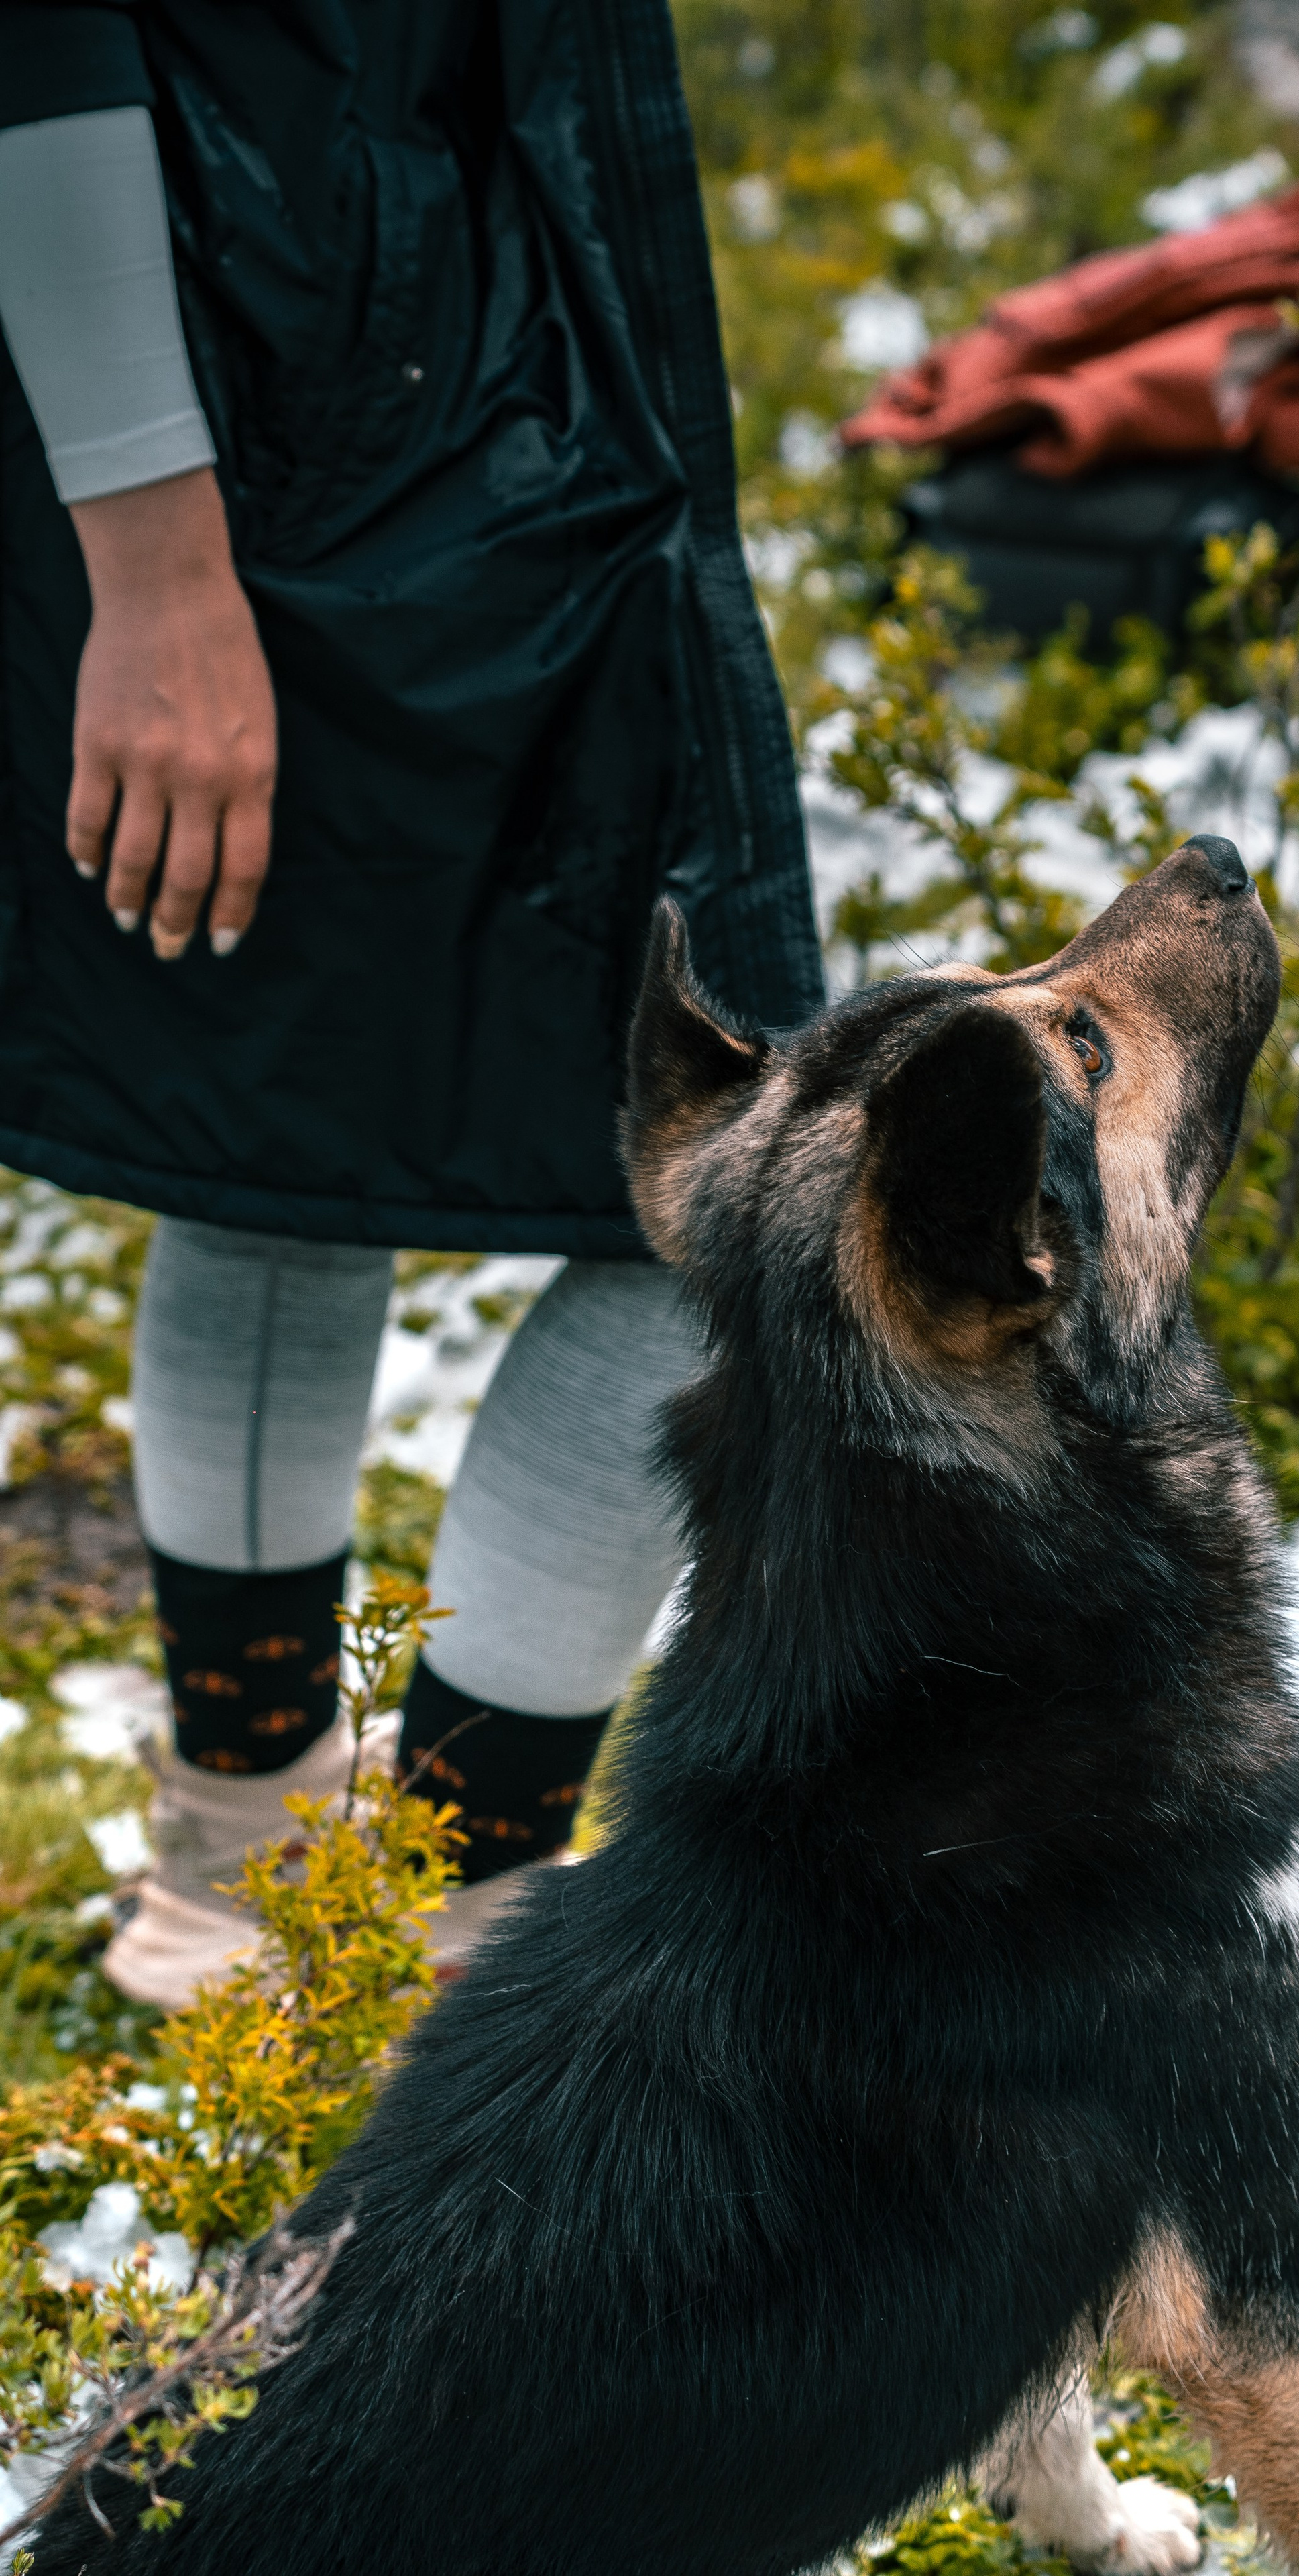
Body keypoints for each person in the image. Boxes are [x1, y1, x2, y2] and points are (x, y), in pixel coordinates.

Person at [0, 0, 822, 2008]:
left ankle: (288, 1871)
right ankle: (423, 1902)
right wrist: (156, 566)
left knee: (297, 1139)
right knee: (716, 1179)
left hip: (500, 404)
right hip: (270, 443)